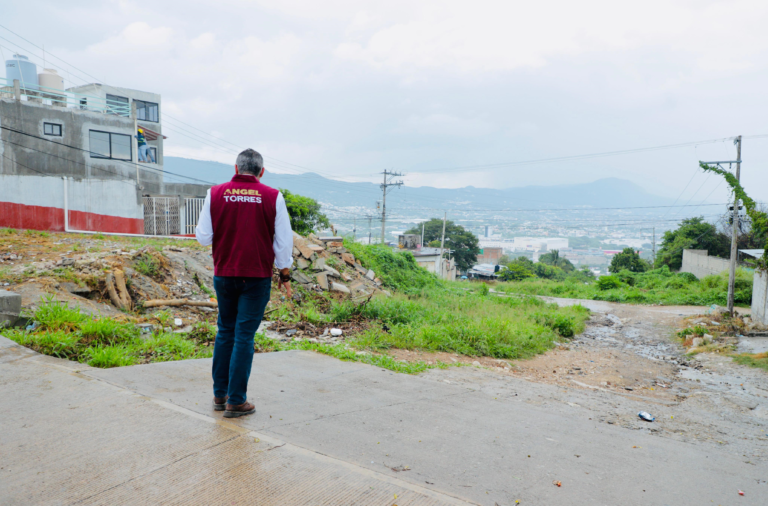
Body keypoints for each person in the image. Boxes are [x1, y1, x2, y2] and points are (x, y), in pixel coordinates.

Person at [195, 149, 293, 418]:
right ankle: (236, 401)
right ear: (261, 172)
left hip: (224, 274)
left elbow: (203, 237)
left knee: (225, 331)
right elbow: (283, 243)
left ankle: (220, 395)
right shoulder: (273, 196)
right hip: (257, 277)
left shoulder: (215, 193)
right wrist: (285, 274)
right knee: (244, 337)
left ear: (236, 168)